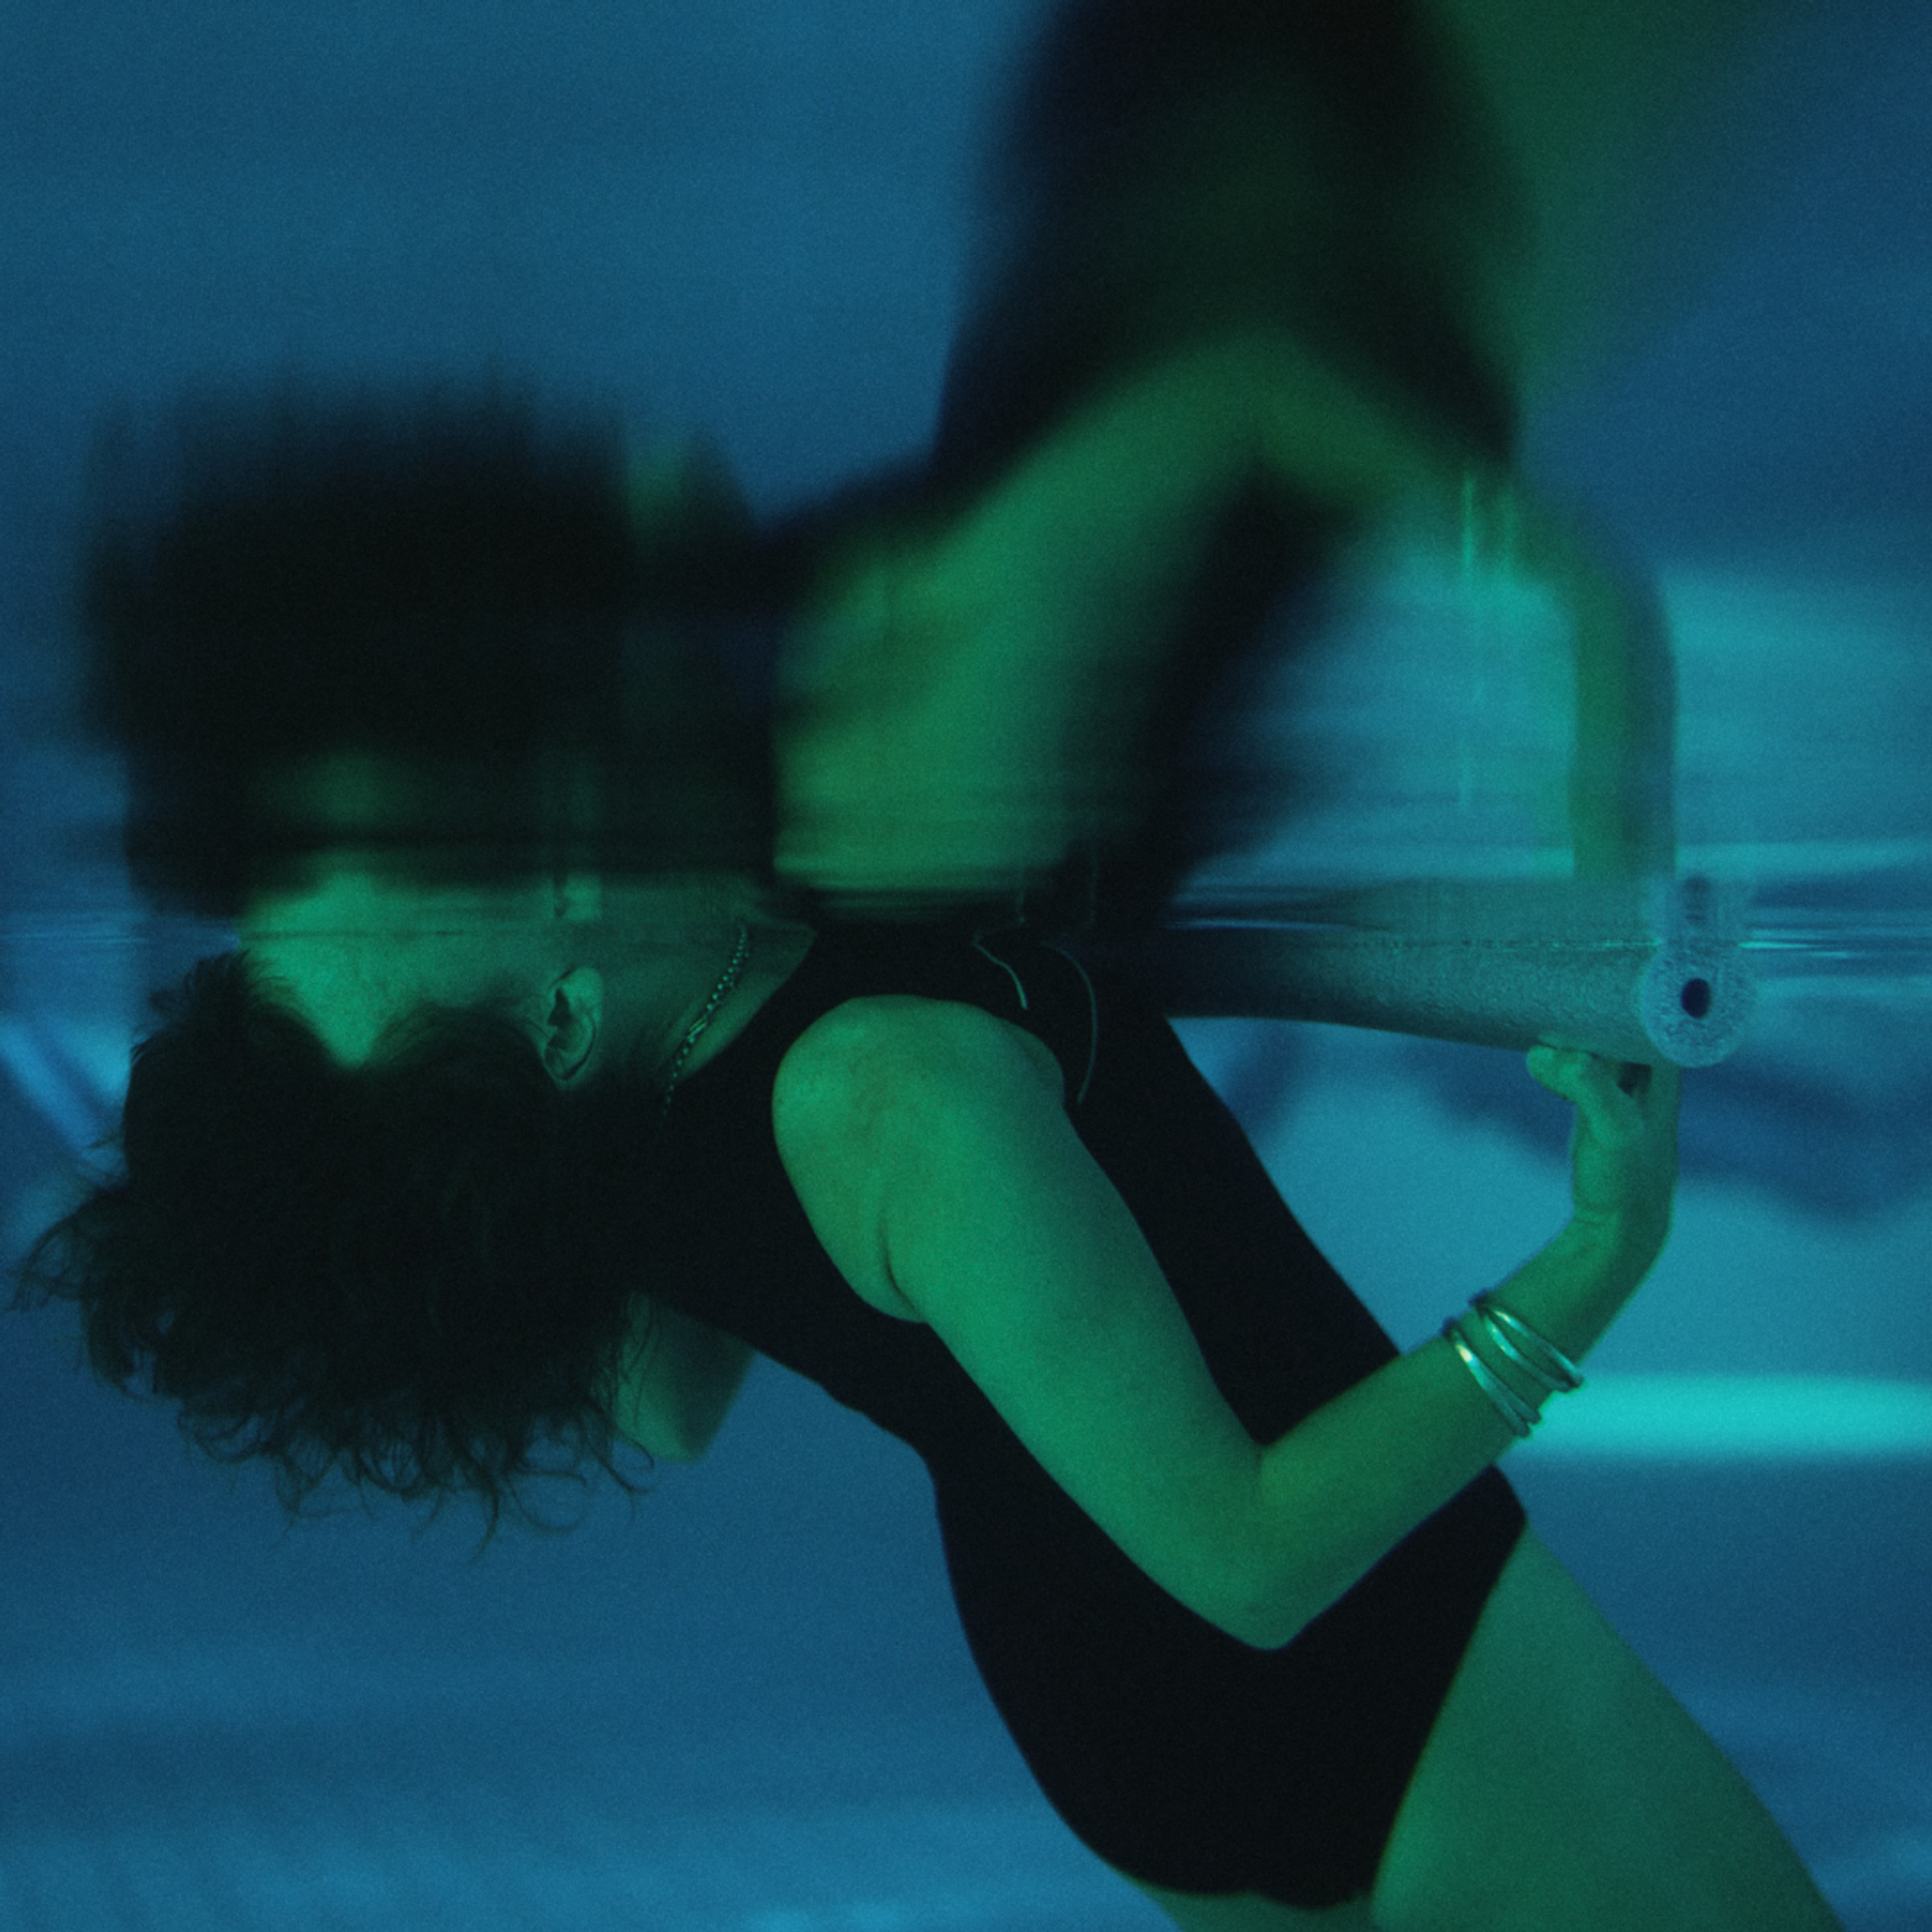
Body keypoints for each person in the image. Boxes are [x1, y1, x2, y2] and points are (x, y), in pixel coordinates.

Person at [10, 5, 1841, 1929]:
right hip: (1333, 1657)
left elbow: (668, 1405)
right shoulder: (889, 1092)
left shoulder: (647, 1087)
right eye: (416, 871)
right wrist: (1594, 1263)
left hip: (1122, 1710)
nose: (421, 798)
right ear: (547, 1011)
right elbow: (1252, 1557)